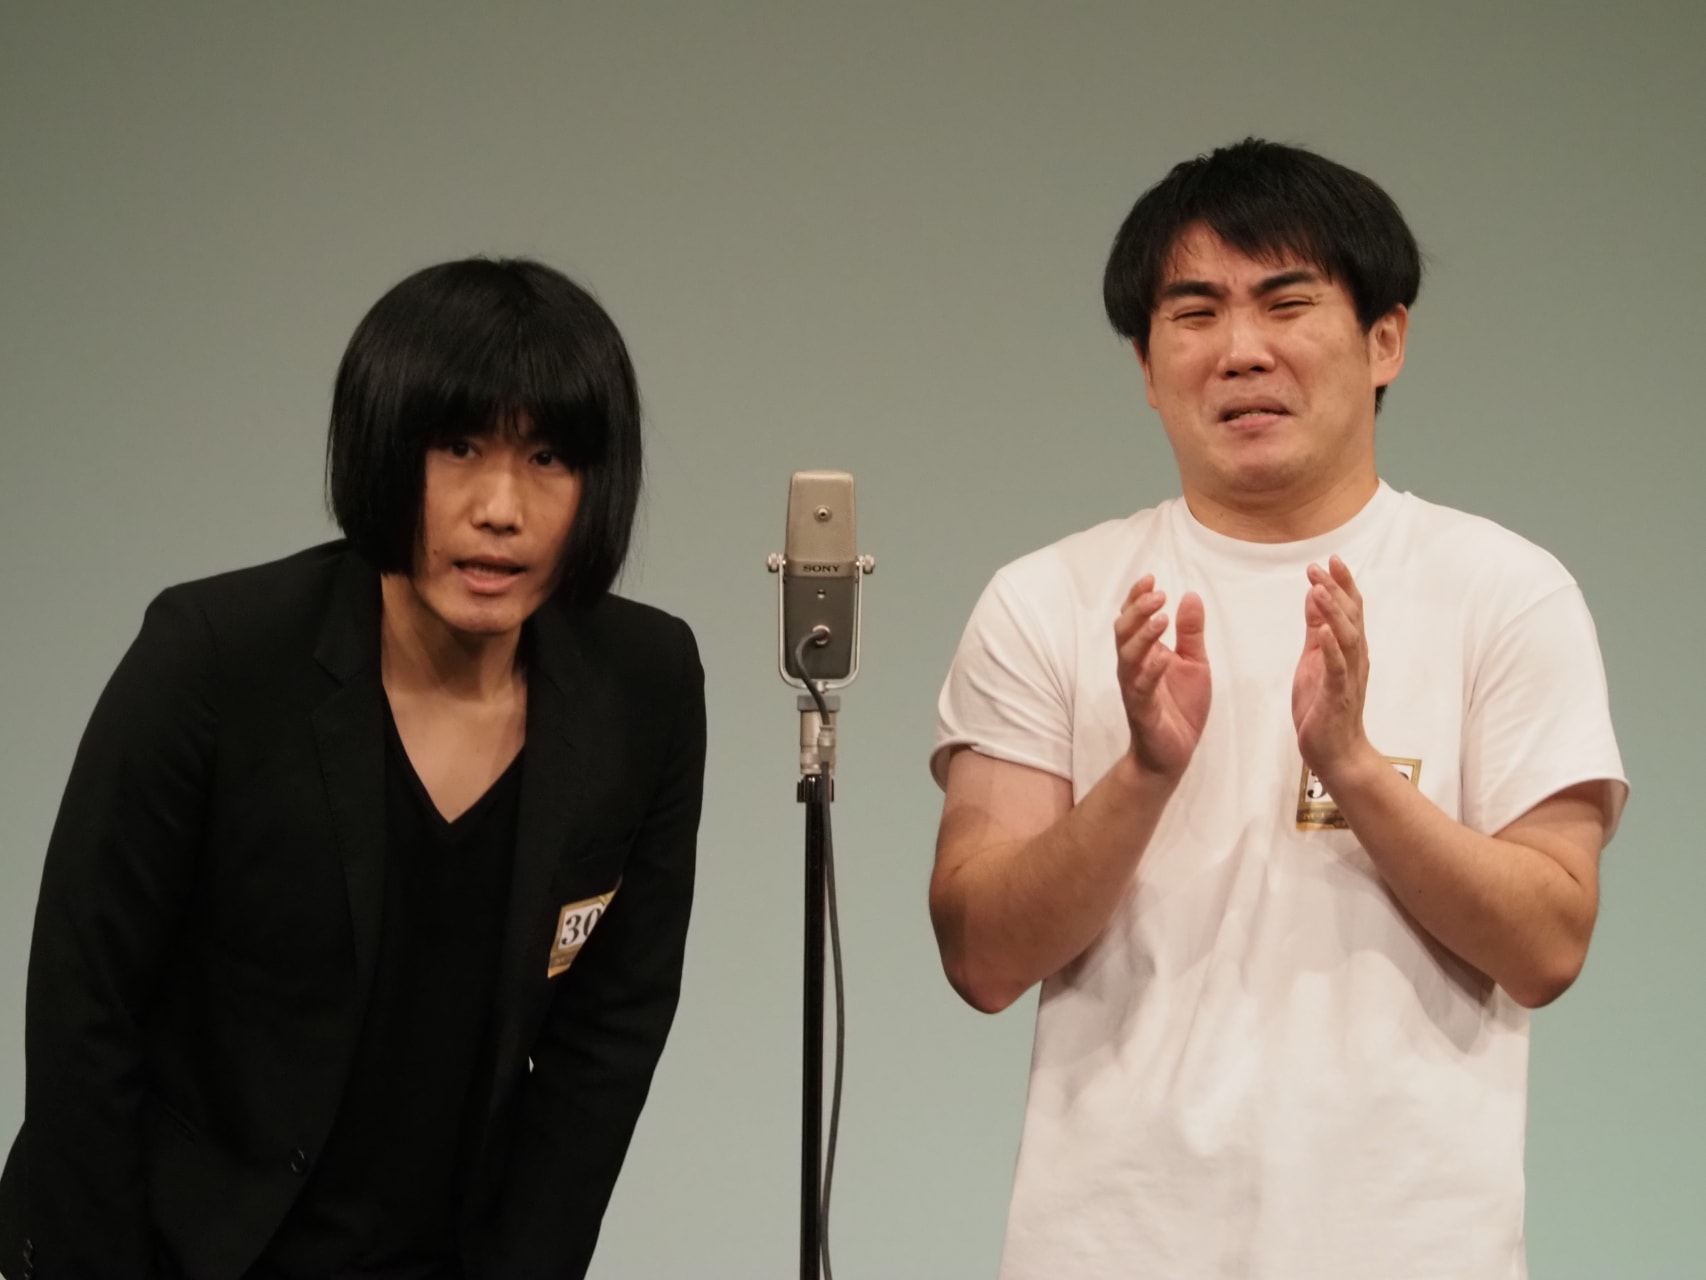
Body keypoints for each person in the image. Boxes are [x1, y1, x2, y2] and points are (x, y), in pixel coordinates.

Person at [928, 139, 1627, 1279]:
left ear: (1384, 339)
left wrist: (1353, 767)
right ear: (1146, 364)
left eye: (1286, 303)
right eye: (1194, 313)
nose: (1240, 349)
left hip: (1411, 1245)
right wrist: (1142, 775)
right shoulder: (1047, 597)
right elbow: (981, 955)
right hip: (1108, 1242)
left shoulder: (1504, 590)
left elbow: (1548, 942)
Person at [0, 258, 706, 1280]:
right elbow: (84, 1000)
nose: (500, 507)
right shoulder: (215, 655)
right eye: (458, 447)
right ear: (381, 450)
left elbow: (611, 1031)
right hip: (173, 1245)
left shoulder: (645, 681)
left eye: (549, 456)